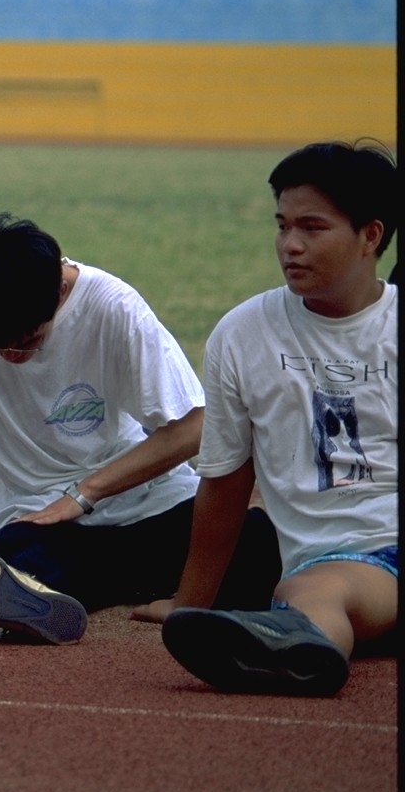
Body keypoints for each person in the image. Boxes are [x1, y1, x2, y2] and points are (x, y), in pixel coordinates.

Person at [0, 214, 279, 644]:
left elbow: (195, 426)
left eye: (27, 340)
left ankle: (72, 591)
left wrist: (84, 494)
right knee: (17, 557)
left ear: (60, 291)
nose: (10, 354)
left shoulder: (115, 307)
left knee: (257, 541)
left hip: (145, 503)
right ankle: (98, 585)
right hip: (38, 517)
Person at [149, 142, 396, 696]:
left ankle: (293, 649)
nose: (290, 245)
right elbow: (225, 479)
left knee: (307, 592)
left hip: (371, 556)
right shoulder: (243, 333)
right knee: (315, 588)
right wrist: (190, 605)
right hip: (346, 567)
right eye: (282, 225)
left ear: (371, 236)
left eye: (312, 227)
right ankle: (295, 646)